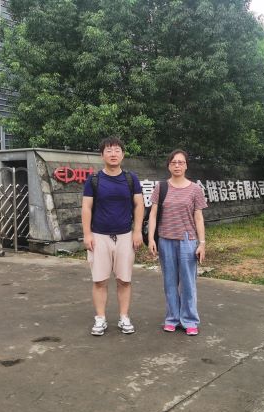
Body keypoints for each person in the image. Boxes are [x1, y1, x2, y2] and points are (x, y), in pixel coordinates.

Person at [81, 136, 144, 336]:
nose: (113, 154)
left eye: (117, 150)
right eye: (108, 150)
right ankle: (100, 318)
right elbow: (86, 207)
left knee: (124, 280)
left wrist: (137, 231)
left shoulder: (131, 179)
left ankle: (124, 317)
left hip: (125, 236)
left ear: (123, 155)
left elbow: (139, 205)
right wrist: (87, 234)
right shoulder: (94, 180)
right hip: (99, 236)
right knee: (99, 280)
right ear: (102, 155)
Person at [148, 149, 207, 336]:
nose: (177, 165)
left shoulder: (195, 189)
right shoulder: (161, 187)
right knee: (170, 282)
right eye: (173, 162)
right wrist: (151, 238)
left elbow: (199, 217)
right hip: (165, 240)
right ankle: (172, 318)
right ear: (168, 166)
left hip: (188, 241)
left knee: (188, 283)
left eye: (181, 162)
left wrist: (202, 243)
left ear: (186, 165)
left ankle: (189, 320)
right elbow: (153, 214)